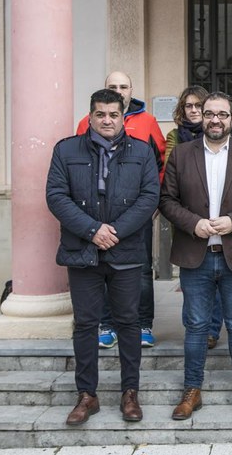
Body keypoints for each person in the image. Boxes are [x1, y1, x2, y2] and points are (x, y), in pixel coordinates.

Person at [46, 88, 160, 425]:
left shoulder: (142, 151)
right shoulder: (66, 150)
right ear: (91, 116)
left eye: (113, 114)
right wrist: (93, 229)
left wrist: (116, 231)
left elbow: (149, 197)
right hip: (82, 251)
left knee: (128, 322)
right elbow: (56, 196)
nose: (107, 120)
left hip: (125, 252)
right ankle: (87, 395)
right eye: (100, 114)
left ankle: (130, 393)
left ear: (123, 116)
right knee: (85, 324)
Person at [159, 91, 232, 421]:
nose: (215, 120)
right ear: (201, 117)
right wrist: (194, 224)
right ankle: (192, 390)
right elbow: (167, 201)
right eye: (209, 114)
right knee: (195, 327)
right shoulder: (182, 155)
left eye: (222, 114)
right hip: (197, 255)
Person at [76, 71, 166, 349]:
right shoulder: (84, 122)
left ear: (131, 90)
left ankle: (143, 324)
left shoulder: (148, 121)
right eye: (112, 86)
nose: (119, 90)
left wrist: (150, 206)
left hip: (136, 216)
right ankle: (107, 324)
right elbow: (78, 163)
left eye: (123, 86)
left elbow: (159, 163)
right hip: (96, 219)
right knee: (100, 270)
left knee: (140, 272)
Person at [165, 85, 224, 350]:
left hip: (221, 223)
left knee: (221, 284)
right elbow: (172, 175)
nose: (194, 111)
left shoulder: (225, 140)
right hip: (190, 218)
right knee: (193, 283)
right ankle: (195, 328)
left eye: (199, 106)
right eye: (189, 106)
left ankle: (211, 330)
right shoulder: (176, 138)